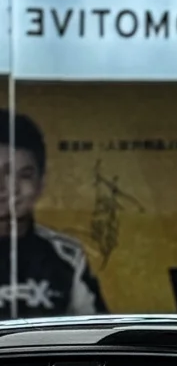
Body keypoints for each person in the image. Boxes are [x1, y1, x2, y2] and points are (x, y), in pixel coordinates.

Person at [0, 110, 107, 319]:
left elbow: (93, 326)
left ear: (41, 182)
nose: (9, 188)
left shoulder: (66, 255)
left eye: (25, 175)